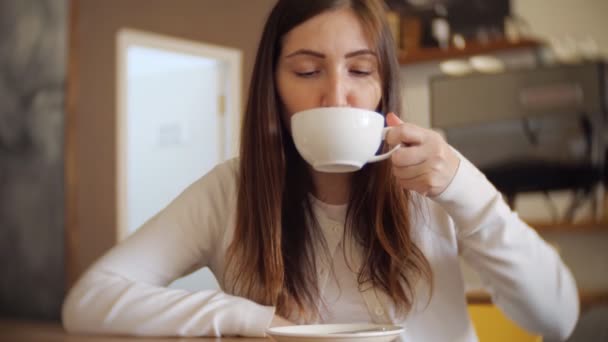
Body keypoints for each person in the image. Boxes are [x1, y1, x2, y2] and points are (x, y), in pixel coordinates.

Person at [62, 0, 579, 341]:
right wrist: (248, 318)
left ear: (383, 90)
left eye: (359, 70)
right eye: (307, 71)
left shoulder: (432, 185)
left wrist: (466, 190)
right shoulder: (232, 192)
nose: (336, 95)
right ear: (274, 86)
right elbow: (90, 300)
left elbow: (557, 318)